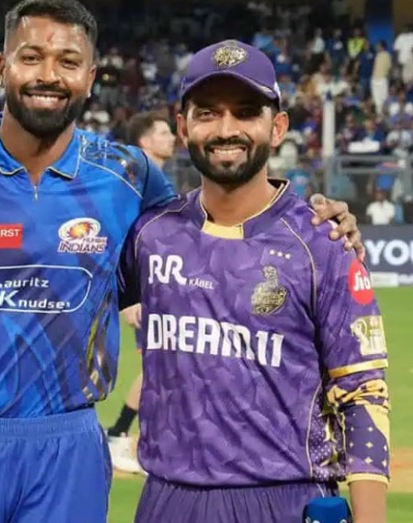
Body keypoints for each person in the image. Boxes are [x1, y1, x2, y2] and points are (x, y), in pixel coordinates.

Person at [0, 3, 364, 521]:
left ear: (90, 78)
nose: (49, 74)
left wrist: (316, 219)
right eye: (31, 57)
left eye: (68, 61)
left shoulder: (131, 177)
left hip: (67, 448)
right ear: (2, 67)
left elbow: (220, 229)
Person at [119, 40, 389, 523]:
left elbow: (364, 393)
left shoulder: (324, 243)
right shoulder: (150, 235)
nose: (226, 129)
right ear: (183, 127)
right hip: (166, 500)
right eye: (207, 113)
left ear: (277, 127)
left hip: (284, 499)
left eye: (246, 112)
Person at [107, 111, 176, 475]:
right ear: (145, 141)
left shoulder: (154, 178)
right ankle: (118, 434)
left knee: (165, 365)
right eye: (164, 132)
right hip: (144, 289)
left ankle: (144, 436)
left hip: (158, 286)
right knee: (157, 365)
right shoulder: (132, 180)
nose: (172, 137)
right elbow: (122, 233)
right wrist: (130, 295)